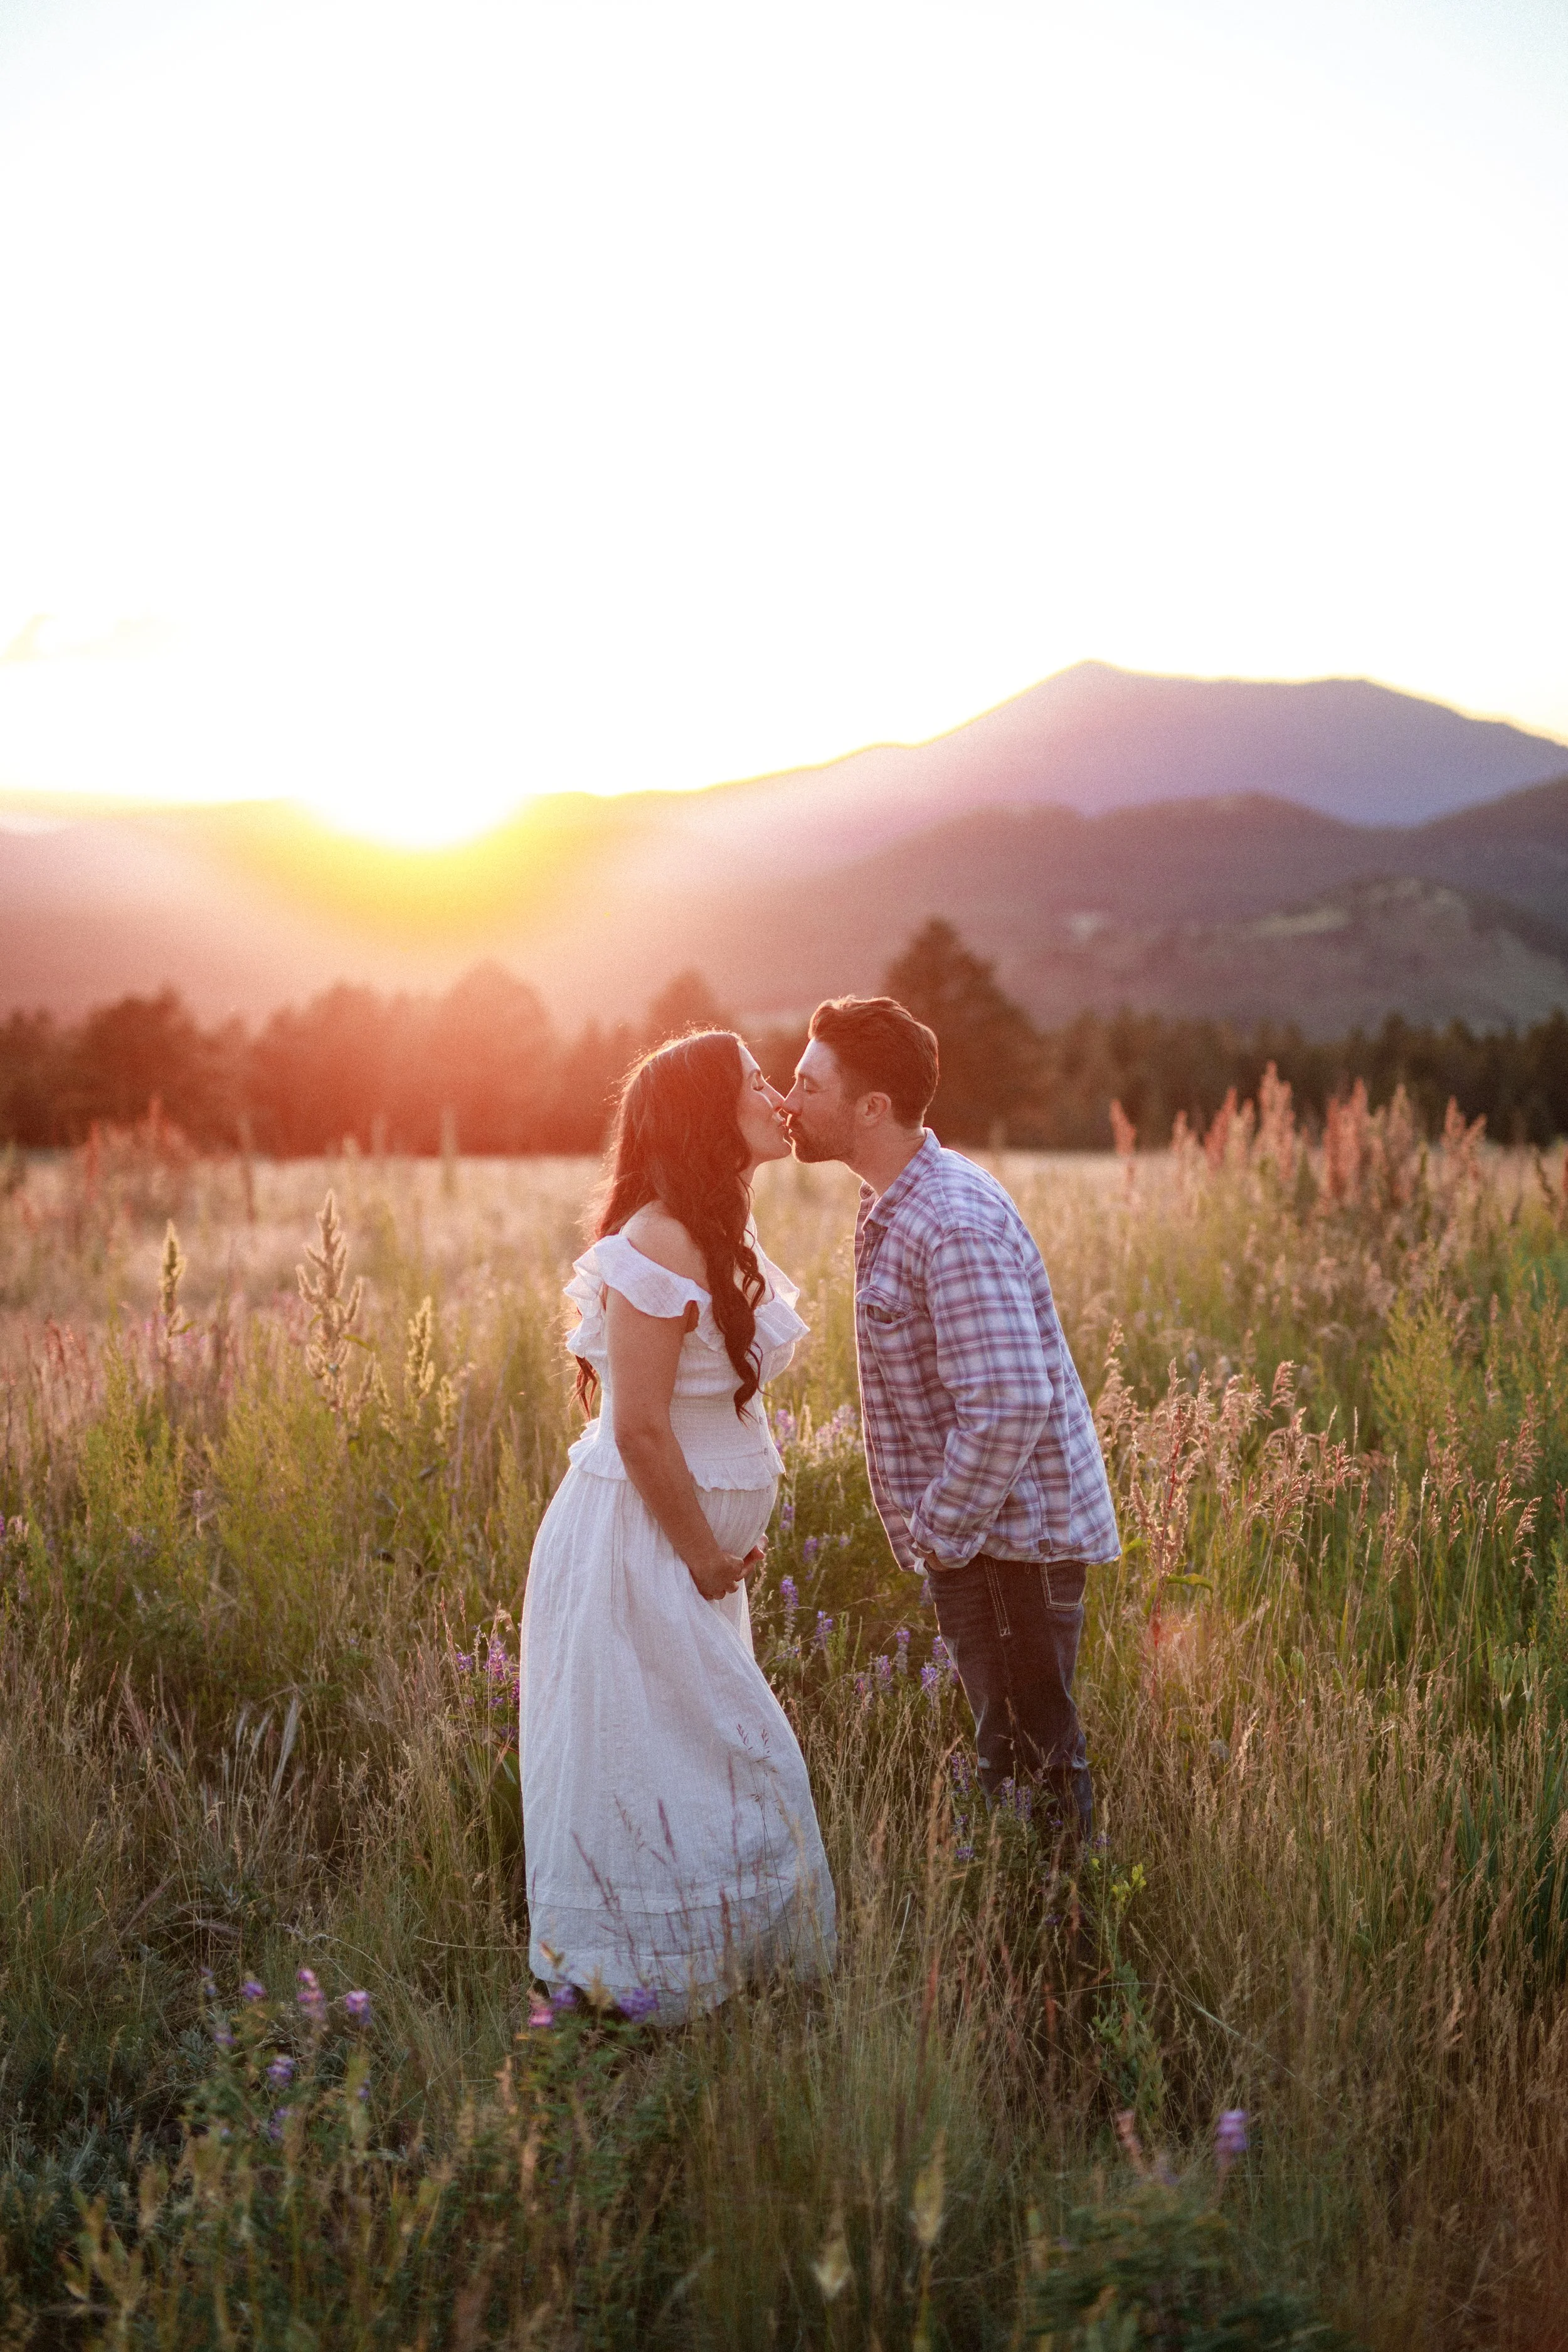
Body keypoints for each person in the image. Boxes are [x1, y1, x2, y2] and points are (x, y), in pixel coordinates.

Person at [519, 1029, 836, 2018]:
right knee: (670, 1756)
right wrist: (706, 1555)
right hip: (645, 1544)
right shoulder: (657, 1240)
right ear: (709, 1111)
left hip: (690, 1552)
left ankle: (694, 1971)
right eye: (754, 1080)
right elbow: (641, 1427)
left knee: (691, 1755)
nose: (777, 1093)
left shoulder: (713, 1229)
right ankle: (638, 1983)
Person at [781, 996, 1118, 1838]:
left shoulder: (950, 1220)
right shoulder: (897, 1199)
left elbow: (1009, 1403)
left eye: (807, 1083)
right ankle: (1032, 1946)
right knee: (1016, 1757)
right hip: (992, 1544)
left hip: (1012, 1549)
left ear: (871, 1108)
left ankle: (1062, 1960)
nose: (788, 1100)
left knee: (1034, 1767)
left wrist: (940, 1530)